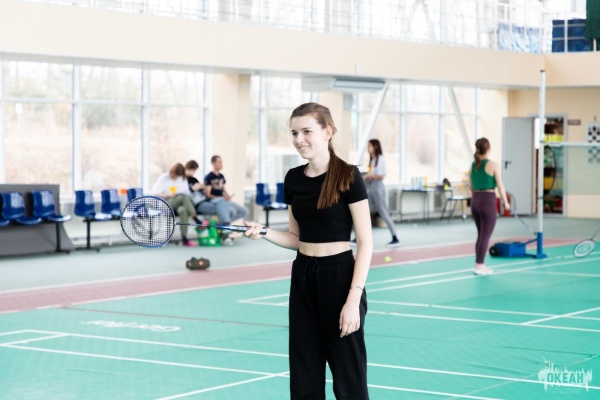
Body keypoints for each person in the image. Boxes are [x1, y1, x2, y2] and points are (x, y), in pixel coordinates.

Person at [243, 102, 373, 399]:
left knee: (349, 379)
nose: (299, 139)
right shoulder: (293, 178)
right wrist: (263, 232)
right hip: (303, 277)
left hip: (340, 278)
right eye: (294, 133)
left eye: (306, 131)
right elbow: (296, 238)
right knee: (304, 377)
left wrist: (353, 300)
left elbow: (366, 242)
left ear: (327, 132)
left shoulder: (349, 176)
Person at [469, 137, 510, 275]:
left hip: (475, 201)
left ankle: (478, 263)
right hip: (487, 201)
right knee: (485, 235)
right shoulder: (493, 165)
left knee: (481, 234)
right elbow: (500, 185)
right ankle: (480, 265)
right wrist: (506, 201)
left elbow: (471, 187)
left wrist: (477, 198)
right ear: (489, 149)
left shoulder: (472, 166)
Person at [351, 139, 400, 248]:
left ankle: (395, 237)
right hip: (372, 188)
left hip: (378, 189)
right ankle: (357, 238)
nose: (368, 148)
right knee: (364, 213)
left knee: (384, 213)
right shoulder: (373, 160)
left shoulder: (380, 159)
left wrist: (369, 176)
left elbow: (382, 175)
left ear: (376, 147)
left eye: (370, 146)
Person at [185, 159, 235, 246]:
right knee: (224, 207)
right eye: (191, 169)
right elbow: (184, 195)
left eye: (194, 170)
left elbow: (203, 193)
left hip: (206, 201)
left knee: (229, 209)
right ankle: (225, 232)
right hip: (198, 204)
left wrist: (202, 188)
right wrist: (193, 189)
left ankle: (223, 229)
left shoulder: (194, 179)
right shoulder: (182, 180)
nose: (193, 172)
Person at [152, 162, 203, 247]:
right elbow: (155, 193)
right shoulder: (163, 178)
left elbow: (186, 192)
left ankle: (184, 239)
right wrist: (168, 195)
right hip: (166, 203)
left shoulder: (182, 178)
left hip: (179, 202)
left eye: (178, 176)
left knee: (183, 210)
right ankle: (196, 219)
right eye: (175, 175)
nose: (176, 178)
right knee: (182, 197)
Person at [203, 155, 249, 234]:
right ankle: (225, 225)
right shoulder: (208, 177)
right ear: (213, 163)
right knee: (232, 211)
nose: (221, 164)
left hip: (224, 200)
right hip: (214, 200)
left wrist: (227, 196)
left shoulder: (221, 176)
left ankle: (223, 225)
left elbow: (223, 189)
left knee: (244, 211)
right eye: (219, 162)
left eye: (222, 162)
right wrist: (221, 197)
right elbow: (208, 195)